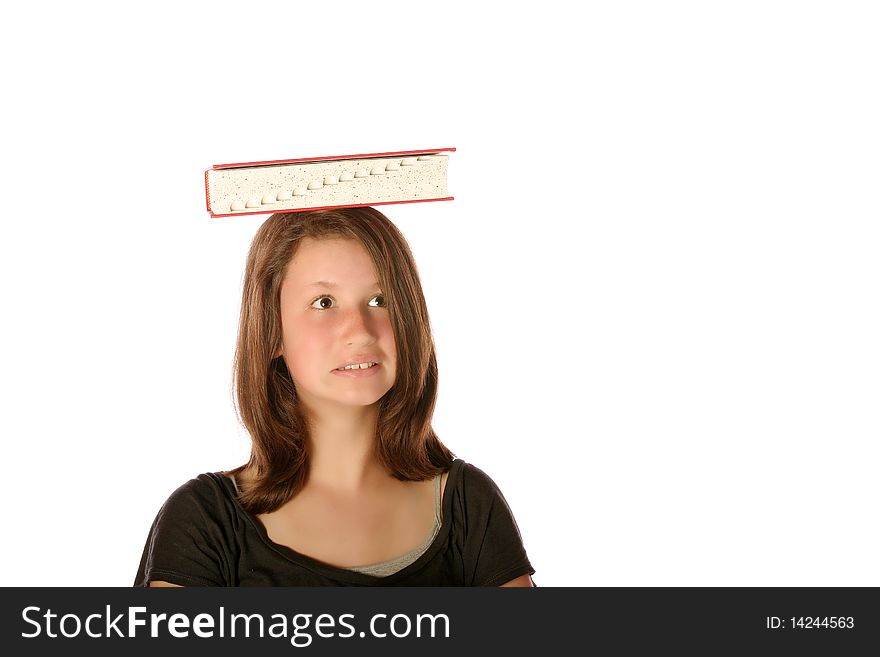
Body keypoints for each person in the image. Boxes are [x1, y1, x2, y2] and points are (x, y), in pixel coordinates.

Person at [135, 207, 535, 586]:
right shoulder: (203, 521)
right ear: (272, 332)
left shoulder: (468, 504)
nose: (360, 330)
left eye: (380, 300)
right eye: (323, 303)